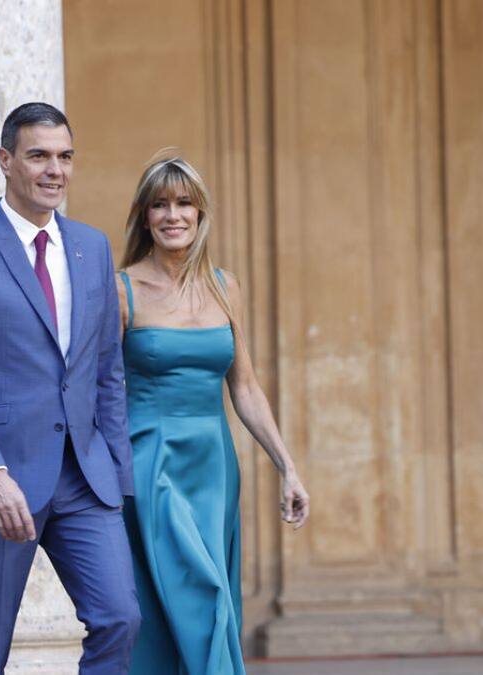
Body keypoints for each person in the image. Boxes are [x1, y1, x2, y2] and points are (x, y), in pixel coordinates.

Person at [0, 102, 140, 674]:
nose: (55, 170)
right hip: (1, 480)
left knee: (120, 618)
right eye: (38, 155)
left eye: (65, 157)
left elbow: (106, 369)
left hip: (85, 478)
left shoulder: (92, 247)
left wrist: (118, 473)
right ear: (6, 161)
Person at [116, 153, 309, 674]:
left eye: (184, 204)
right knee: (197, 596)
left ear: (201, 215)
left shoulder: (226, 287)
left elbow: (244, 387)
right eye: (160, 204)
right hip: (150, 463)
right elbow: (99, 393)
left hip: (213, 470)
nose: (172, 215)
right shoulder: (122, 289)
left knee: (209, 597)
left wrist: (286, 465)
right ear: (144, 215)